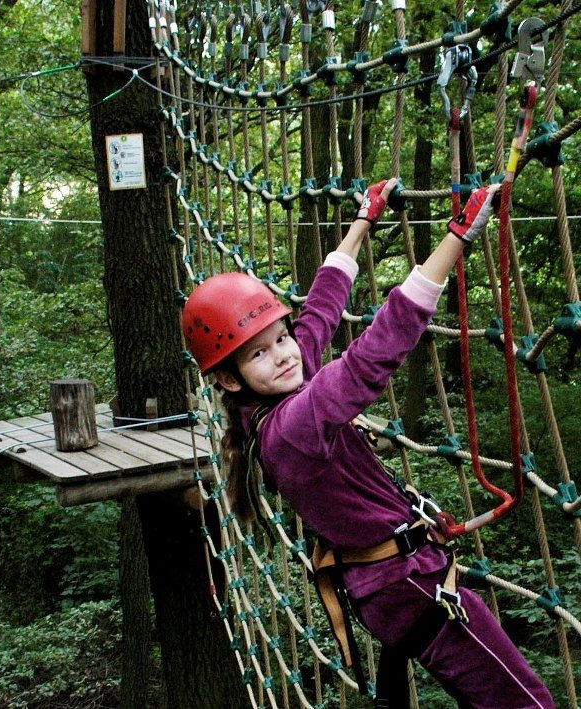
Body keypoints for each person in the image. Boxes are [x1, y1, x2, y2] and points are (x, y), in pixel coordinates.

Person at [183, 180, 553, 707]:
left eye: (280, 338)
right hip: (406, 585)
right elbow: (367, 361)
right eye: (259, 354)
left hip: (395, 580)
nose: (285, 355)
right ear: (228, 379)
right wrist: (456, 240)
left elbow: (321, 310)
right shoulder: (290, 429)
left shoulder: (276, 387)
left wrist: (364, 220)